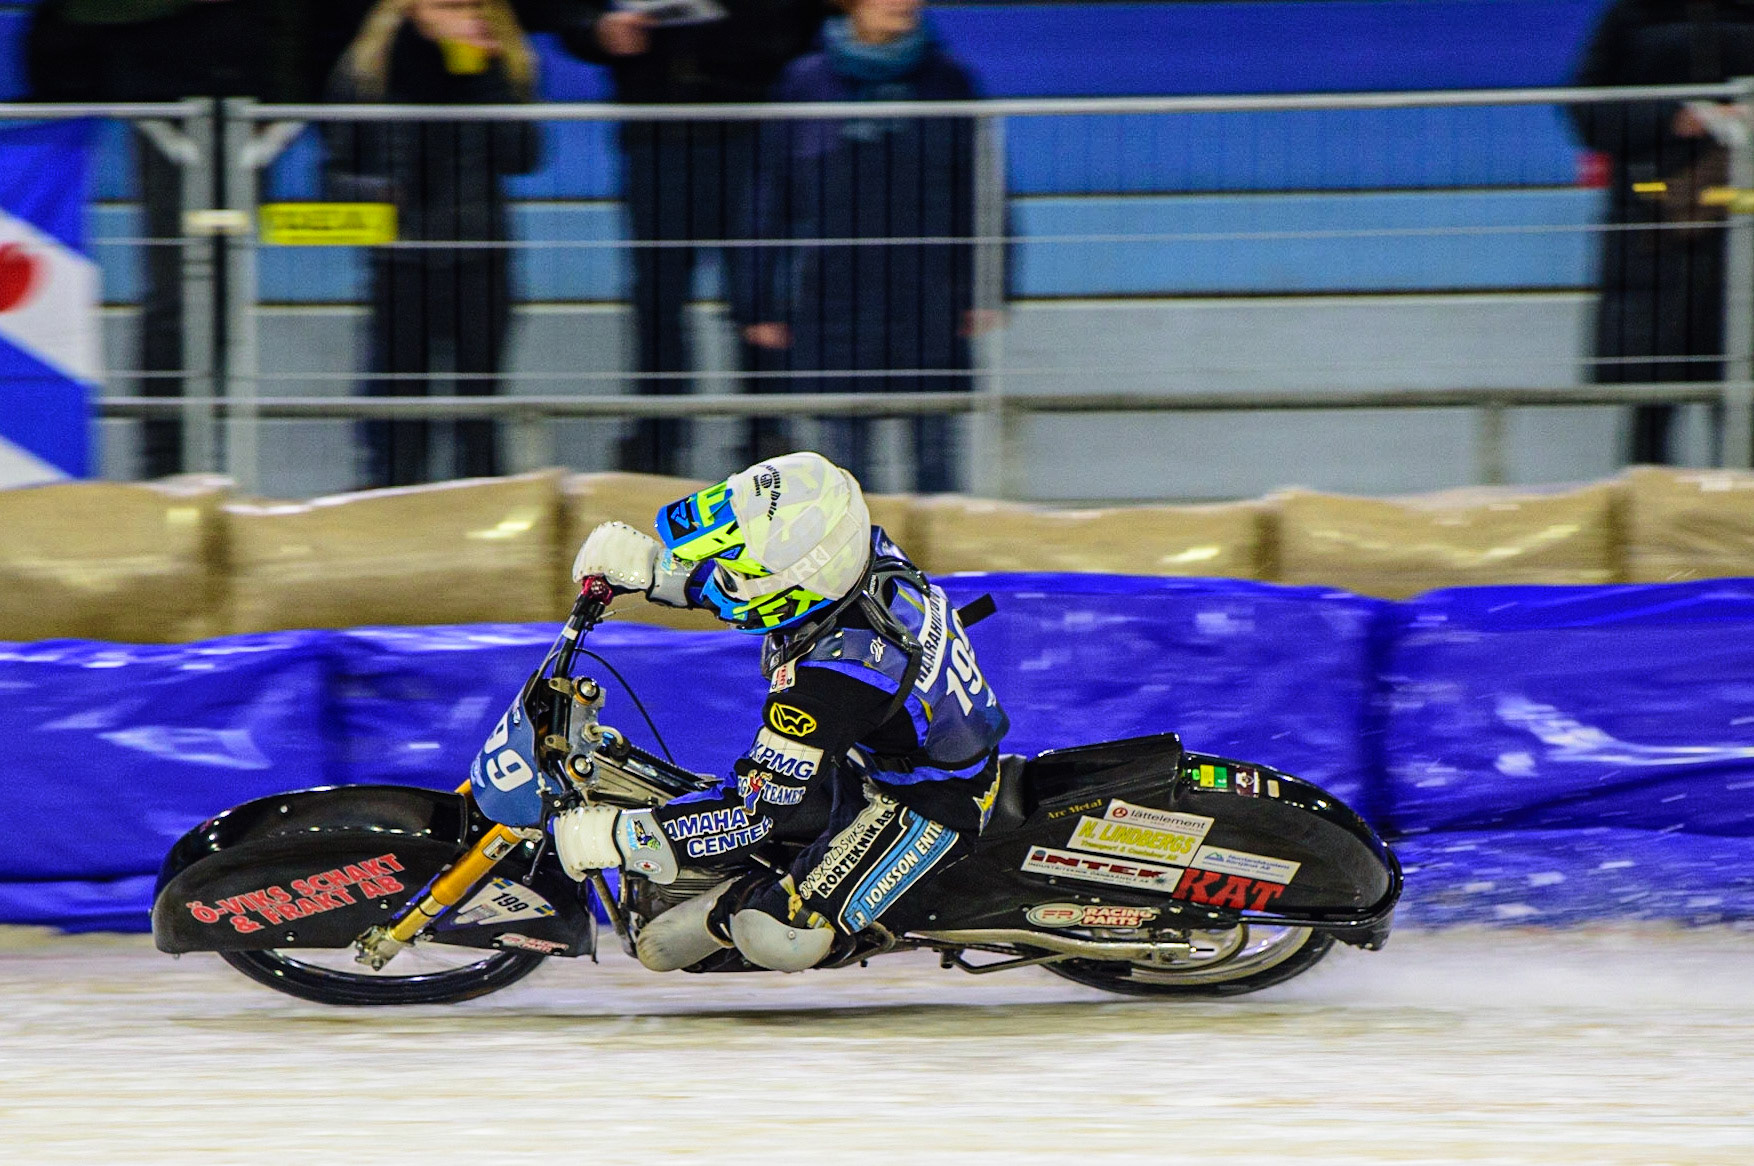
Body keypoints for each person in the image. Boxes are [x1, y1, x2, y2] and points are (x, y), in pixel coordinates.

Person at [548, 450, 1008, 973]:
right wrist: (654, 570)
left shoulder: (831, 681)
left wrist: (619, 838)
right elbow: (775, 580)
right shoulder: (862, 555)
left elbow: (755, 813)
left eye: (741, 571)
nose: (727, 577)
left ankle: (737, 904)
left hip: (925, 800)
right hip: (879, 747)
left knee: (775, 933)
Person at [25, 0, 311, 479]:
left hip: (249, 103)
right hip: (165, 102)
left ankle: (206, 461)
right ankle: (165, 467)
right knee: (178, 295)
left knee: (220, 290)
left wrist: (287, 93)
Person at [556, 0, 825, 477]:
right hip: (656, 140)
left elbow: (801, 29)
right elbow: (570, 18)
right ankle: (658, 444)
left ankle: (768, 447)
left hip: (749, 133)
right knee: (657, 299)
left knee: (757, 299)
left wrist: (724, 35)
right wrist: (599, 31)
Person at [745, 0, 989, 494]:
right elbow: (770, 192)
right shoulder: (805, 82)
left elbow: (982, 189)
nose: (905, 3)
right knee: (845, 476)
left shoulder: (948, 80)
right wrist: (757, 298)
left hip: (929, 299)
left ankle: (938, 573)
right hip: (835, 300)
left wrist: (987, 287)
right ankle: (857, 573)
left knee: (937, 465)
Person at [328, 0, 543, 487]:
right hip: (400, 266)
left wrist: (487, 79)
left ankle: (490, 539)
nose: (464, 16)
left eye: (472, 6)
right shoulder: (369, 68)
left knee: (479, 418)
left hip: (480, 261)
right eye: (448, 5)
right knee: (402, 423)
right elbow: (336, 172)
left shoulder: (506, 62)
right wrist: (379, 195)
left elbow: (521, 157)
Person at [1572, 0, 1754, 464]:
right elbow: (1586, 111)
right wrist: (1672, 118)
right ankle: (1645, 530)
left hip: (1741, 223)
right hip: (1652, 222)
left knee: (1742, 406)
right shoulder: (1630, 14)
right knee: (1650, 407)